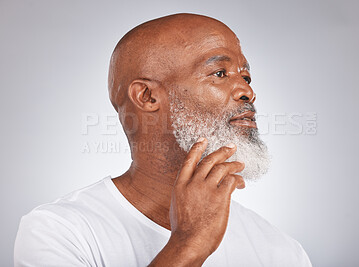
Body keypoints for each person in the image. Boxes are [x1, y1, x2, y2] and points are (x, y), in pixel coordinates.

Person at [14, 13, 312, 266]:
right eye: (220, 73)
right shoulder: (59, 232)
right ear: (148, 96)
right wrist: (189, 244)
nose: (247, 91)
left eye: (245, 77)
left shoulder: (282, 252)